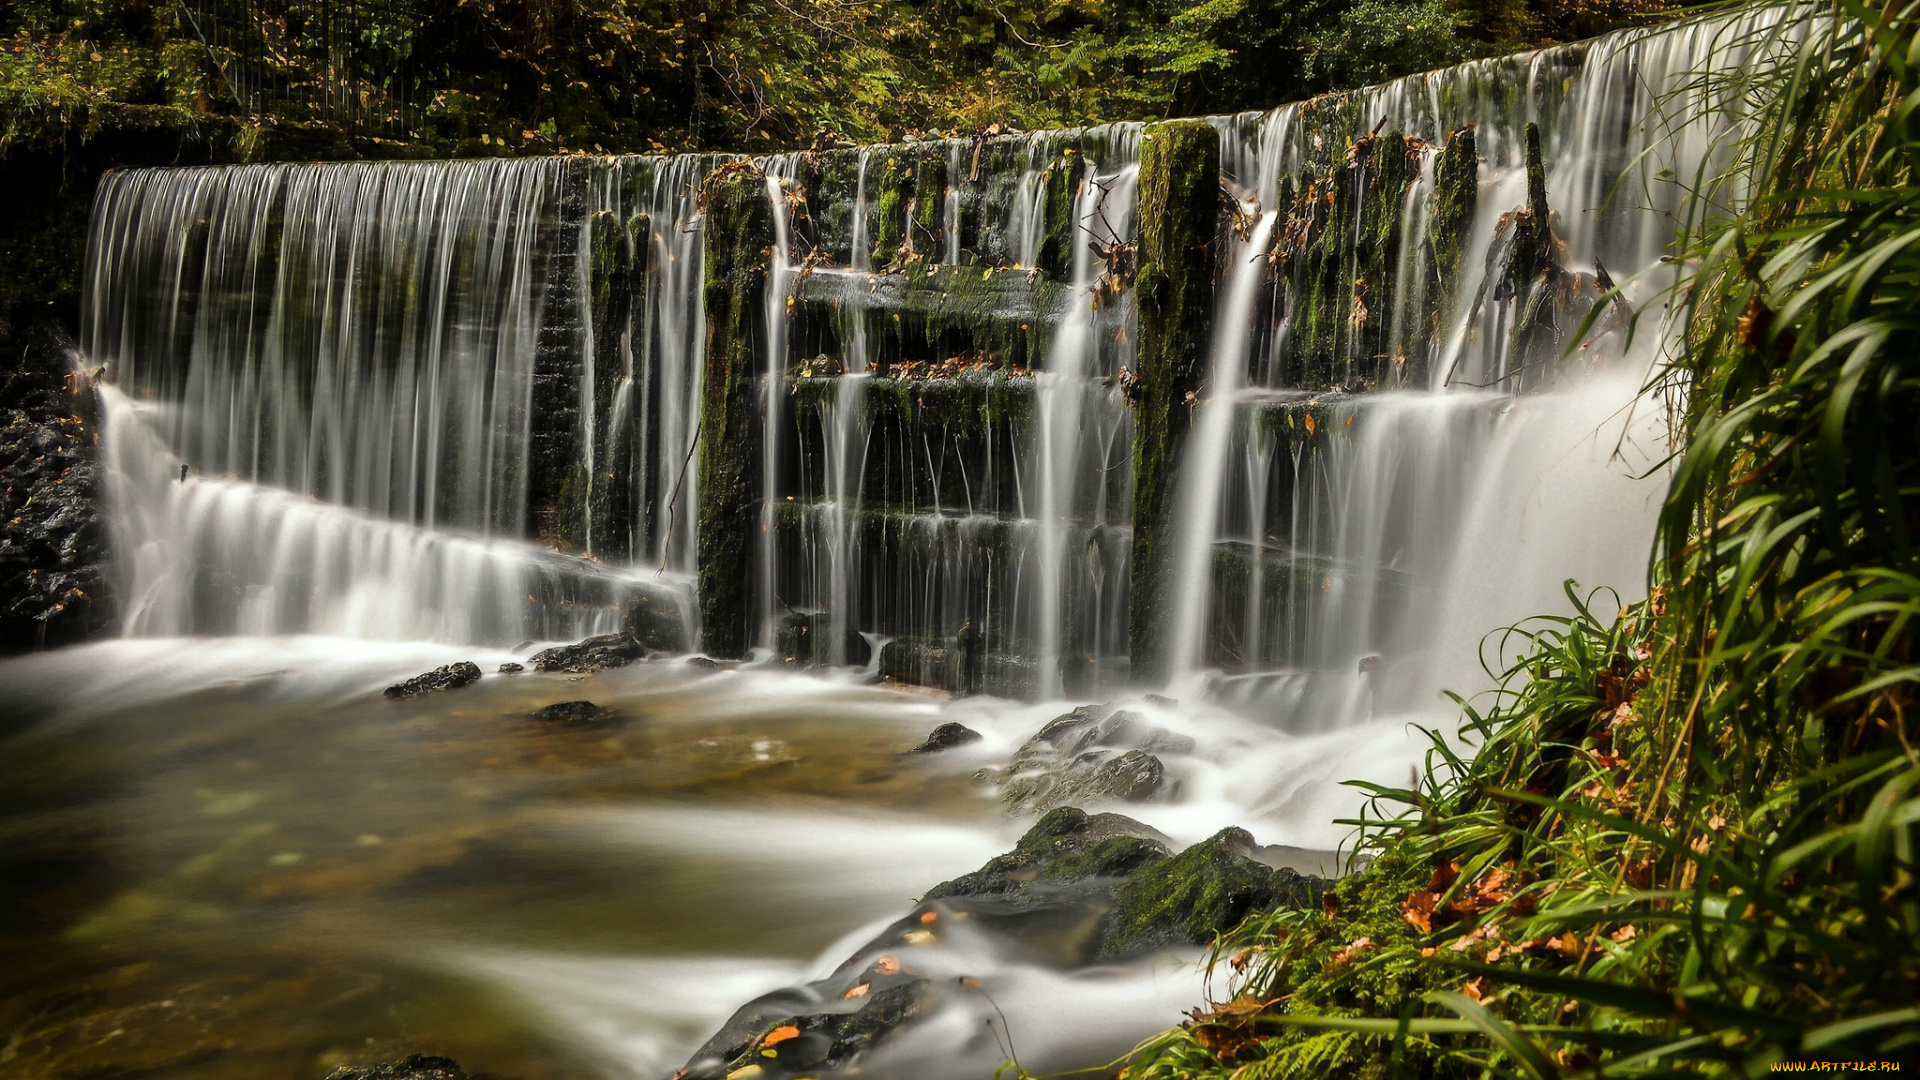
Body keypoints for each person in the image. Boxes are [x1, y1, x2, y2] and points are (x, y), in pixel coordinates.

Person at [956, 619, 982, 697]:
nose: (970, 627)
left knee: (972, 672)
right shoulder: (963, 632)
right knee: (966, 673)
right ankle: (967, 689)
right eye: (968, 625)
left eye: (971, 625)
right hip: (967, 656)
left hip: (973, 656)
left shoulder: (972, 633)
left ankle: (970, 689)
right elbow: (960, 644)